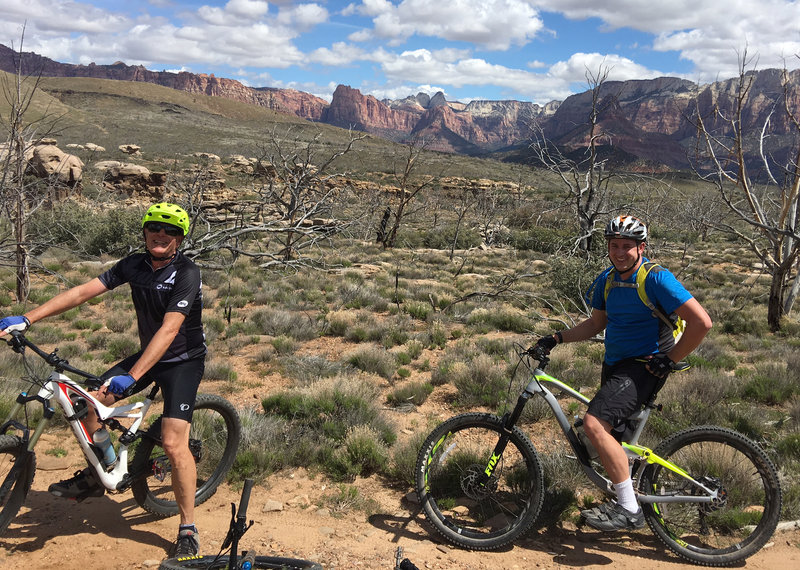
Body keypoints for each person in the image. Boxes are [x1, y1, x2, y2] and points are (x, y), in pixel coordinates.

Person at [0, 202, 206, 556]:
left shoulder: (186, 273)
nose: (161, 234)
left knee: (174, 444)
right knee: (90, 408)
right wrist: (28, 318)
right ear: (144, 231)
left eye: (171, 230)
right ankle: (103, 471)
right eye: (155, 226)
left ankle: (188, 528)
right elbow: (82, 292)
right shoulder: (134, 265)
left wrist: (135, 375)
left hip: (182, 361)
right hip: (146, 356)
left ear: (180, 239)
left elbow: (171, 328)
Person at [535, 215, 712, 532]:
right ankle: (627, 494)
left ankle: (630, 510)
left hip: (645, 365)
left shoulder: (656, 278)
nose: (619, 252)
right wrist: (557, 338)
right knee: (612, 438)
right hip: (616, 365)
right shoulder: (607, 280)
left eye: (627, 246)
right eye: (614, 245)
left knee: (593, 424)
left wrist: (668, 359)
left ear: (641, 248)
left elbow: (702, 323)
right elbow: (595, 325)